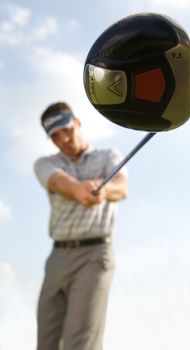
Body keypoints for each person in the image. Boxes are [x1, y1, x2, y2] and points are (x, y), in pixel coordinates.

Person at [34, 101, 128, 350]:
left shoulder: (109, 157)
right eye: (55, 136)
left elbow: (122, 187)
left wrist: (104, 189)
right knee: (47, 340)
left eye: (67, 129)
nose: (64, 138)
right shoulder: (46, 163)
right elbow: (58, 182)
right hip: (57, 257)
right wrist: (78, 189)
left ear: (77, 123)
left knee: (80, 340)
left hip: (95, 255)